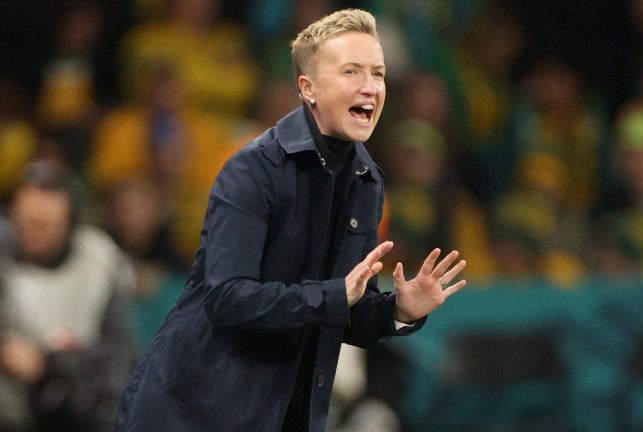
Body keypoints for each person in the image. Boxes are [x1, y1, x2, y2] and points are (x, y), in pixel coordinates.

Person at [114, 9, 467, 432]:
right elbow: (229, 298)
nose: (370, 88)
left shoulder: (366, 181)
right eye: (351, 72)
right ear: (308, 88)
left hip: (289, 412)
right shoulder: (251, 171)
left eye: (378, 73)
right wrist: (333, 296)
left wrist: (399, 310)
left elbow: (346, 309)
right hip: (194, 413)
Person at [0, 161, 136, 432]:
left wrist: (47, 363)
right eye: (24, 222)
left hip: (78, 410)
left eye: (45, 226)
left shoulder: (99, 261)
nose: (31, 235)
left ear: (70, 224)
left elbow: (120, 358)